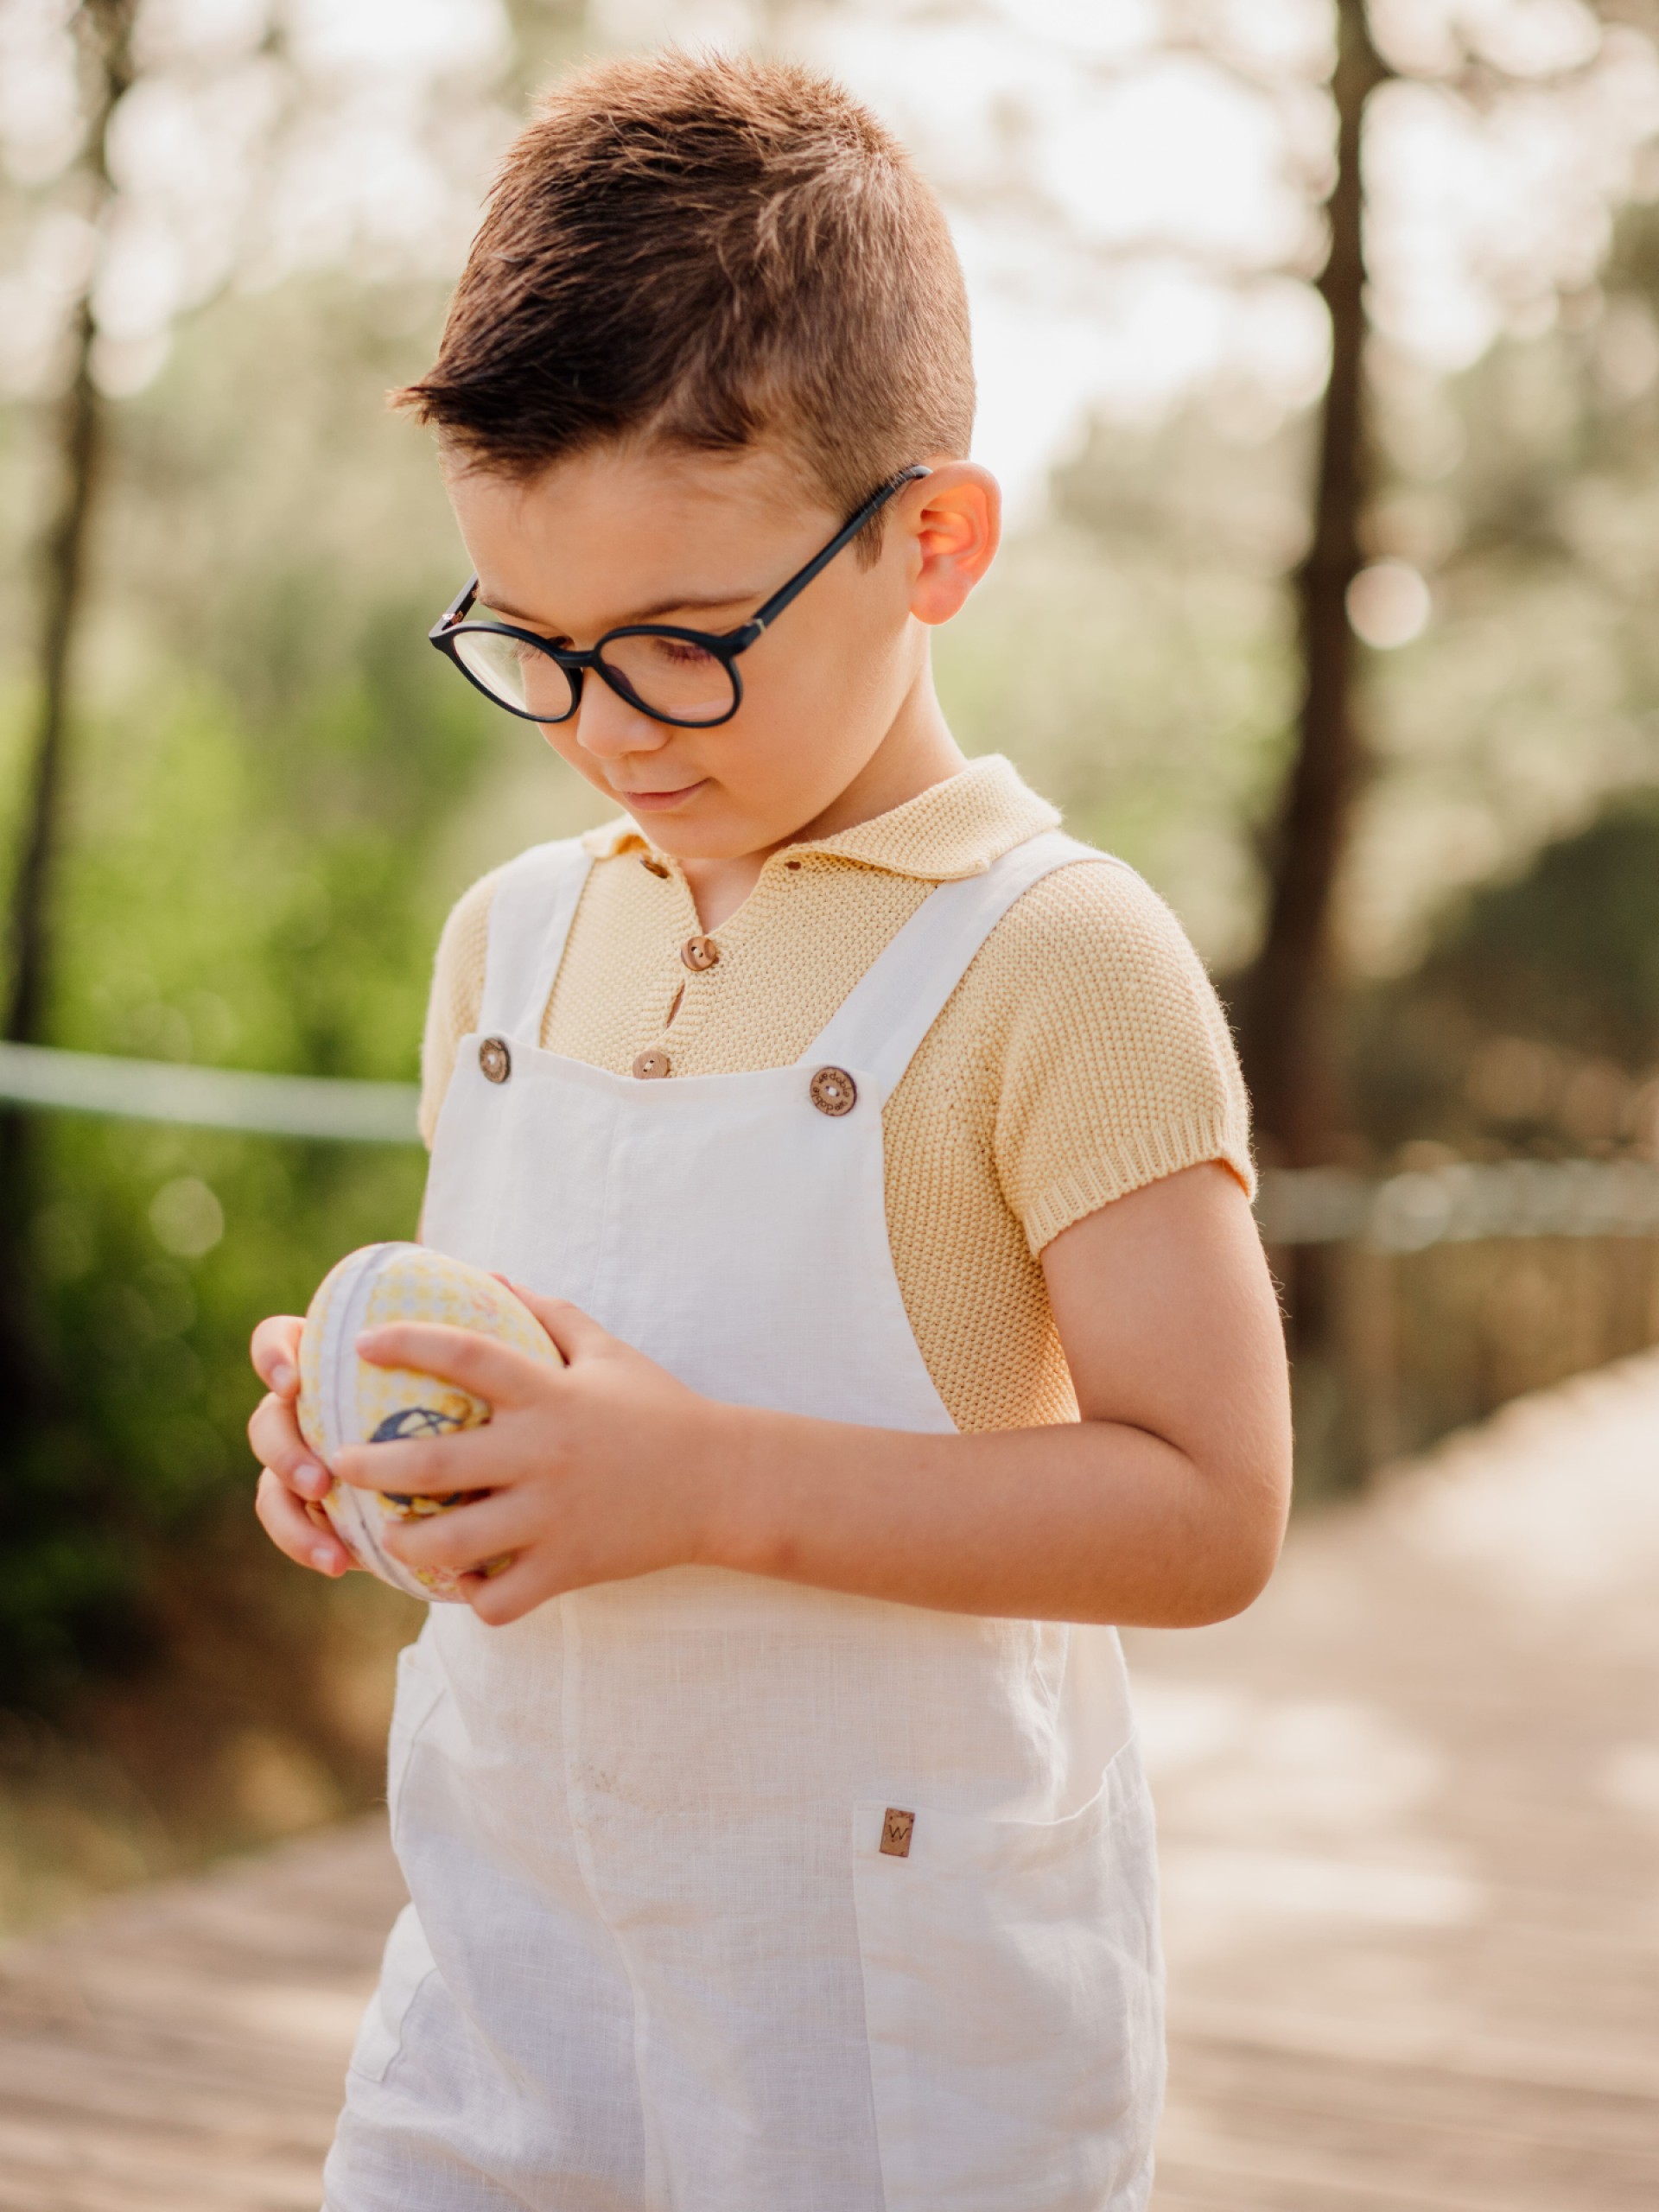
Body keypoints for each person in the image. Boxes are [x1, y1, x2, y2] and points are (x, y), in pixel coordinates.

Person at [247, 48, 1292, 2212]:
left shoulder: (1062, 965)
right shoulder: (510, 947)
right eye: (530, 648)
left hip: (889, 2052)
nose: (607, 732)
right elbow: (539, 1390)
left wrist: (699, 1480)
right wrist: (377, 1442)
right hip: (502, 1992)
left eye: (681, 646)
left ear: (934, 541)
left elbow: (1213, 1508)